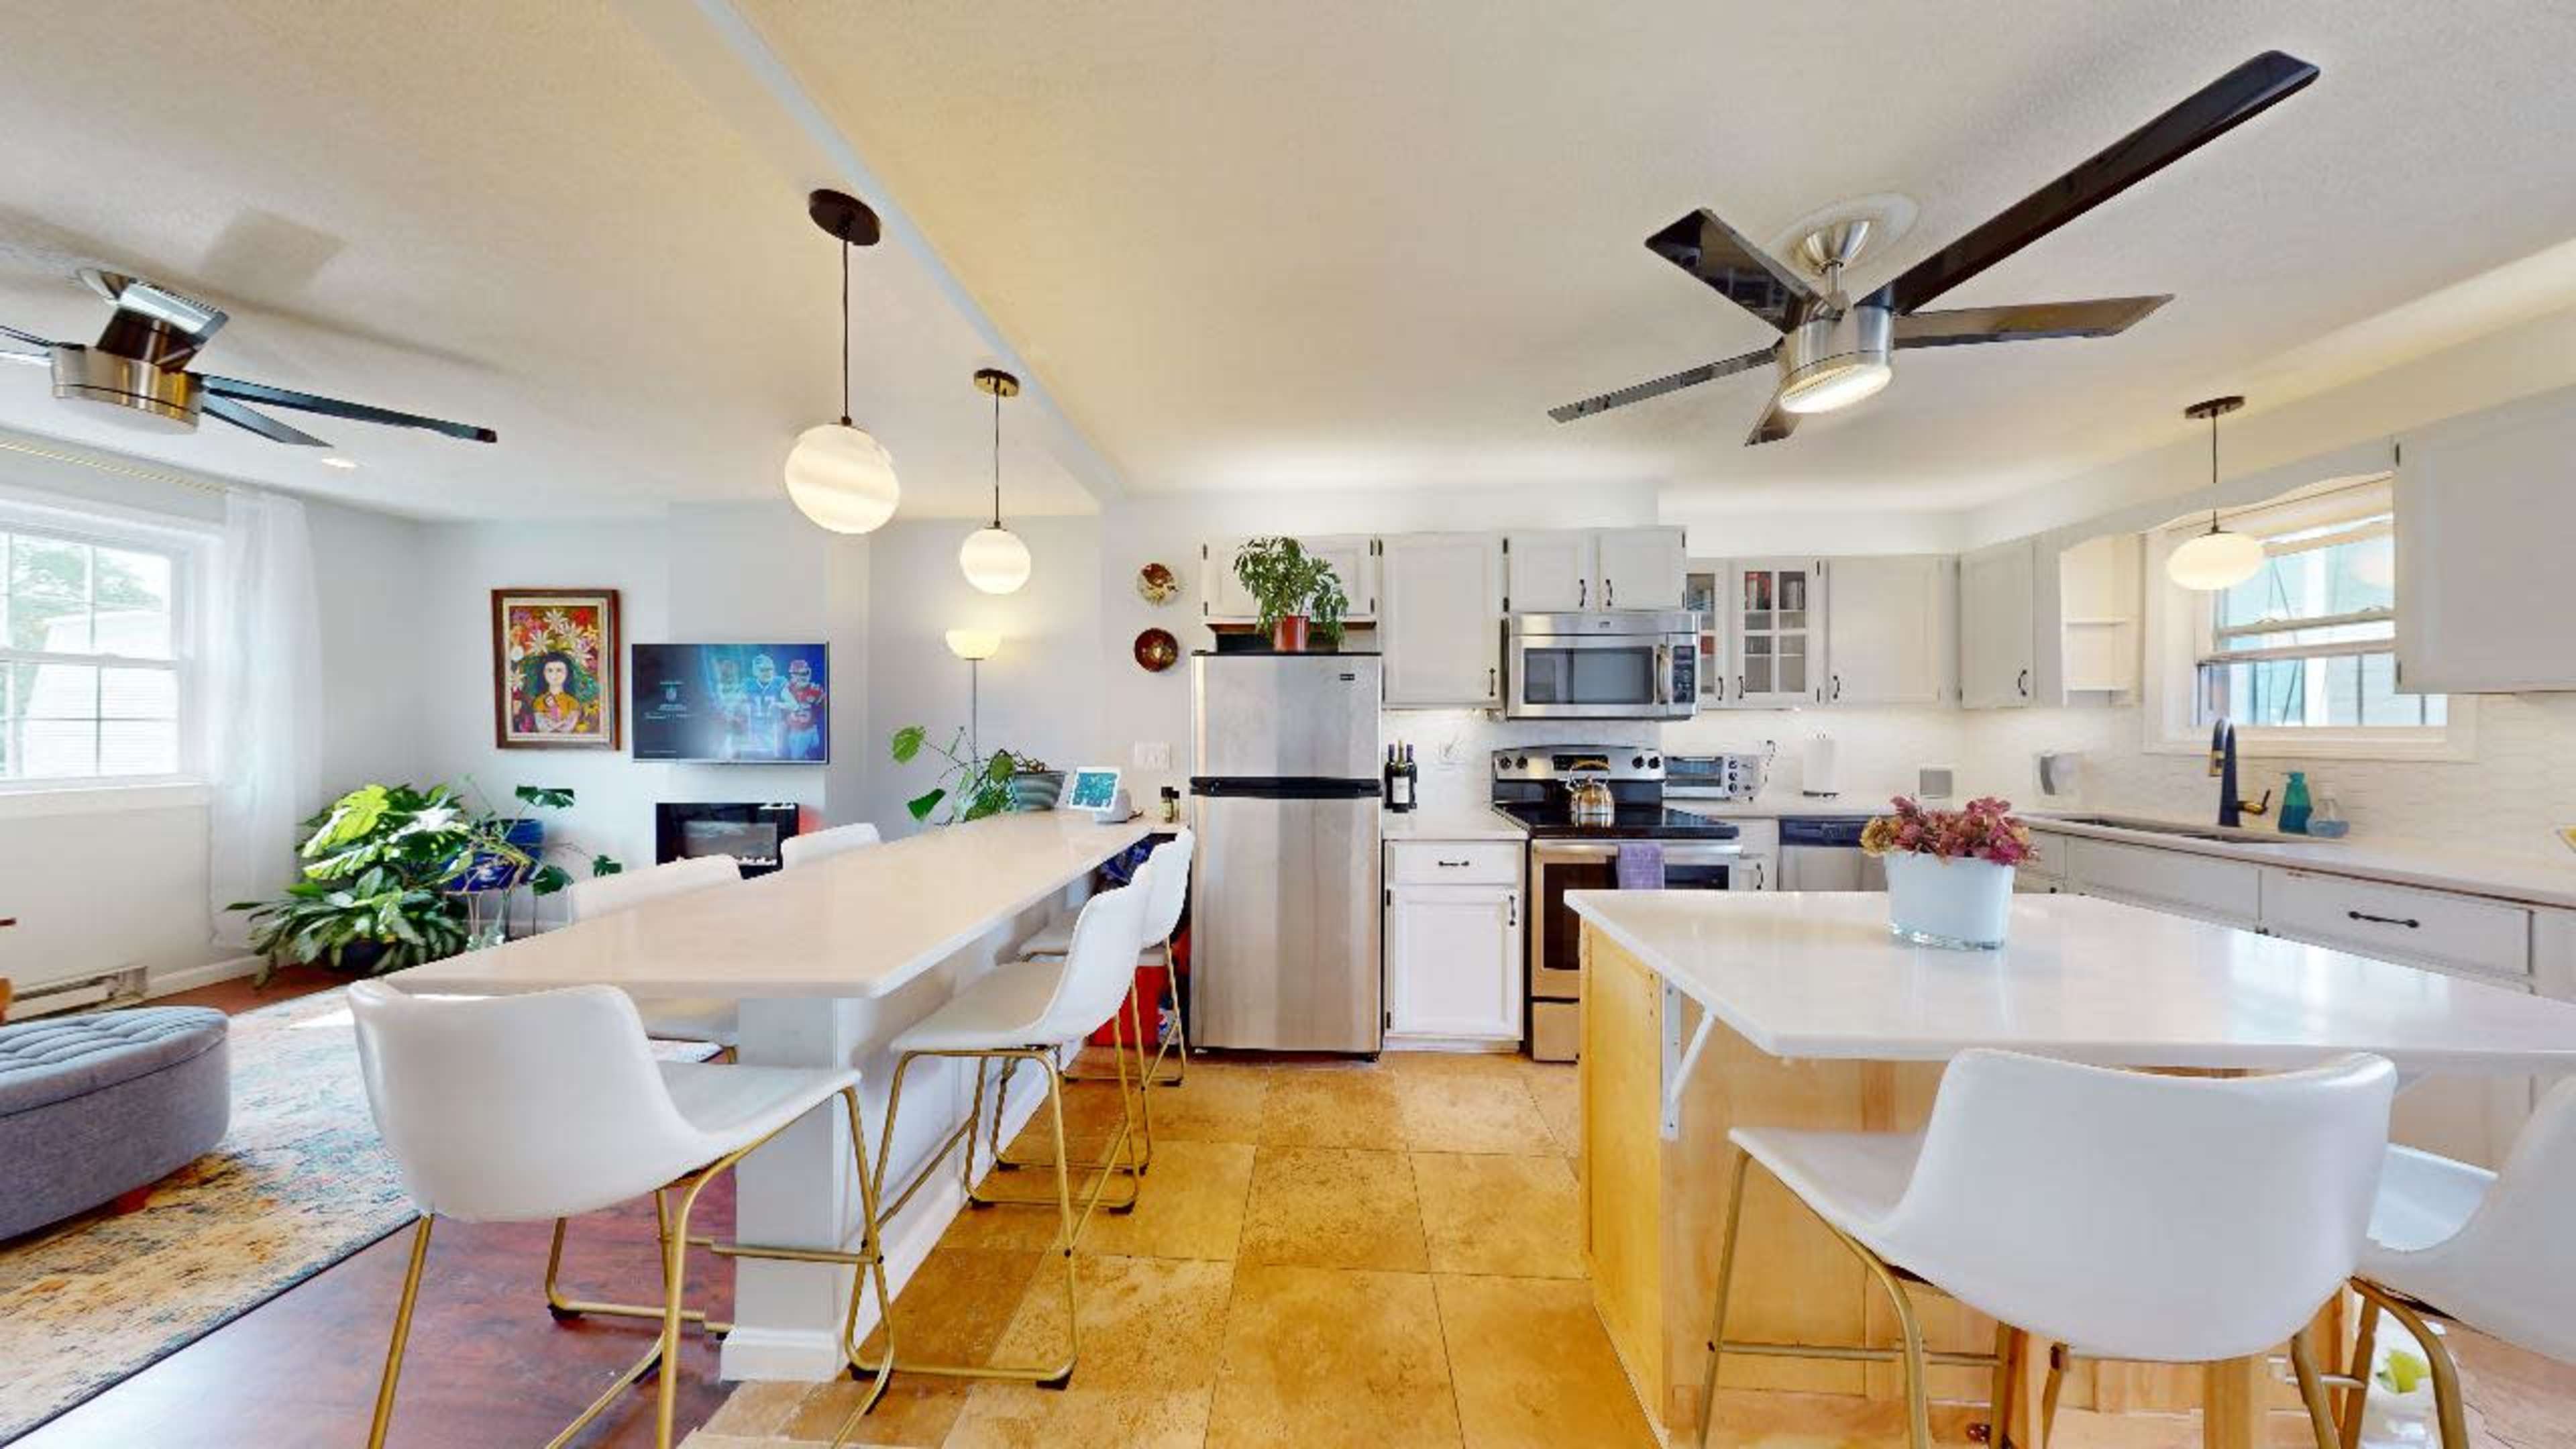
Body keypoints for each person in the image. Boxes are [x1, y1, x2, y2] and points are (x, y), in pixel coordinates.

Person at [521, 651, 588, 735]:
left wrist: (554, 711)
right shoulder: (538, 701)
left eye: (559, 670)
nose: (554, 675)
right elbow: (543, 727)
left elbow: (568, 727)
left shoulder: (572, 702)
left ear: (567, 673)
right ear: (543, 673)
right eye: (550, 671)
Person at [782, 655, 826, 760]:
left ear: (809, 673)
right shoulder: (787, 690)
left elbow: (826, 710)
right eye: (797, 674)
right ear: (792, 675)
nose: (802, 677)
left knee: (798, 758)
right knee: (799, 758)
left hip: (808, 729)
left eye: (805, 673)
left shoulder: (816, 689)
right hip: (794, 730)